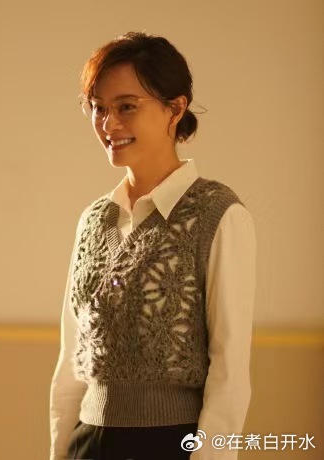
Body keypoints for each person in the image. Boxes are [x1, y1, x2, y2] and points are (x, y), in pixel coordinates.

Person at [49, 31, 257, 460]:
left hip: (170, 444)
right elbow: (72, 362)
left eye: (127, 106)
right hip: (88, 444)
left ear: (175, 109)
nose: (109, 124)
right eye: (98, 107)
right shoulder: (93, 220)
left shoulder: (218, 214)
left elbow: (230, 372)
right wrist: (60, 451)